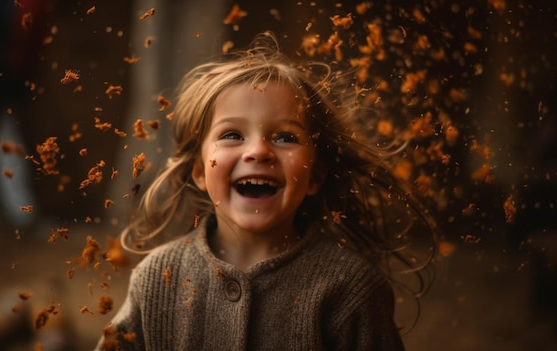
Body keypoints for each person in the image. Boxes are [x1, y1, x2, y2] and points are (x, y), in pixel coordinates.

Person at [95, 32, 439, 350]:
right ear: (200, 171)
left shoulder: (350, 289)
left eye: (285, 137)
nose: (258, 151)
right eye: (232, 135)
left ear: (315, 175)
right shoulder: (157, 278)